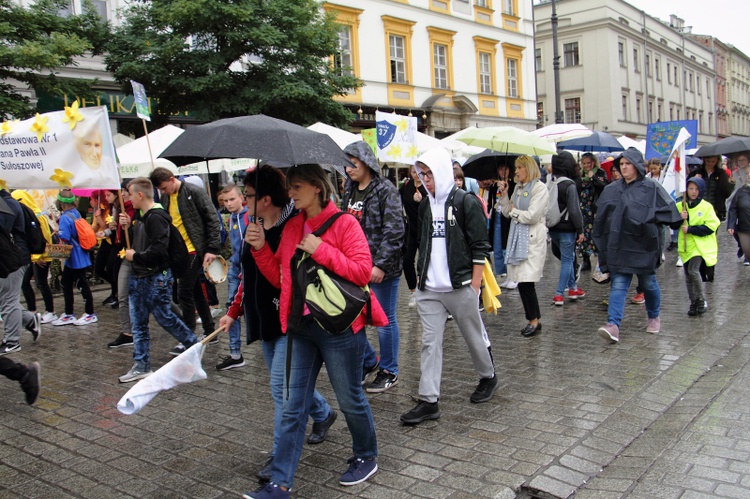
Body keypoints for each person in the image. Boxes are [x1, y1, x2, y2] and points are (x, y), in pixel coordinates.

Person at [244, 163, 386, 498]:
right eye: (290, 188)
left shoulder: (345, 223)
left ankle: (366, 455)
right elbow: (280, 277)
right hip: (301, 327)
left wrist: (321, 249)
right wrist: (261, 248)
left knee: (350, 399)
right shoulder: (293, 226)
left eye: (296, 188)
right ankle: (280, 483)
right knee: (293, 405)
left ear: (317, 189)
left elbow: (363, 271)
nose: (290, 194)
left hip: (339, 328)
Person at [218, 166, 337, 483]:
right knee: (288, 386)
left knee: (282, 392)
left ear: (266, 198)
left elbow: (287, 279)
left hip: (288, 320)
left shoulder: (289, 230)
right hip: (262, 322)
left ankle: (279, 459)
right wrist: (234, 310)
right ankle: (324, 414)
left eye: (249, 195)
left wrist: (262, 249)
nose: (243, 200)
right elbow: (247, 275)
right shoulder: (250, 224)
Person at [400, 148, 498, 426]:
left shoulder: (465, 202)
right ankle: (429, 400)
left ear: (442, 171)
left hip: (461, 285)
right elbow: (422, 242)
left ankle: (488, 376)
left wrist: (475, 285)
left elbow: (481, 245)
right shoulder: (425, 205)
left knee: (473, 336)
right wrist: (420, 279)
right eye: (422, 174)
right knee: (430, 343)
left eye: (430, 173)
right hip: (430, 289)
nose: (426, 179)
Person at [594, 148, 682, 344]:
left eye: (627, 164)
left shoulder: (651, 188)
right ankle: (613, 324)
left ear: (637, 165)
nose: (623, 167)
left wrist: (658, 219)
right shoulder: (611, 190)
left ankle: (653, 315)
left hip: (644, 246)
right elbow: (601, 219)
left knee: (649, 284)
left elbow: (669, 212)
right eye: (621, 164)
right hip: (619, 247)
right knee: (618, 284)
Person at [118, 177, 200, 383]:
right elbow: (140, 242)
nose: (127, 198)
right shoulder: (142, 216)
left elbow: (158, 250)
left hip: (155, 277)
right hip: (140, 275)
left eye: (129, 193)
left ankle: (194, 344)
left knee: (164, 317)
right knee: (138, 323)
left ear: (139, 194)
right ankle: (141, 364)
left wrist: (134, 256)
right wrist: (127, 229)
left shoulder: (156, 217)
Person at [342, 141, 405, 393]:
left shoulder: (385, 189)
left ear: (366, 161)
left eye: (353, 163)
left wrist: (379, 265)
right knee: (351, 316)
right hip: (354, 266)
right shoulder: (349, 189)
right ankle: (369, 361)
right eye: (346, 164)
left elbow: (395, 231)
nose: (348, 170)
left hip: (382, 269)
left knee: (384, 320)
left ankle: (390, 370)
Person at [149, 167, 221, 351]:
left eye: (164, 187)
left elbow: (212, 219)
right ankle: (209, 330)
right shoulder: (165, 198)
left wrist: (212, 248)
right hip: (179, 252)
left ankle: (188, 336)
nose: (163, 192)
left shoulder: (193, 191)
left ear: (172, 179)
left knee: (184, 292)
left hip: (195, 250)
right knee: (195, 291)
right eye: (161, 189)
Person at [496, 155, 548, 337]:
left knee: (526, 281)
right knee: (523, 281)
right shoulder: (518, 188)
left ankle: (533, 320)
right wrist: (504, 196)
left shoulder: (540, 189)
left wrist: (514, 211)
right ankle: (534, 318)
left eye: (519, 167)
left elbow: (532, 216)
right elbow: (506, 212)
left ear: (528, 168)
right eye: (515, 168)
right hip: (518, 237)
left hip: (532, 239)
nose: (516, 171)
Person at [0, 189, 41, 353]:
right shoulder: (7, 203)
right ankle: (31, 321)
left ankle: (12, 341)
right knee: (5, 299)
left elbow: (3, 229)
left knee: (8, 300)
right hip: (9, 258)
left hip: (13, 259)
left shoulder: (7, 205)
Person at [51, 190, 97, 326]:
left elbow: (64, 237)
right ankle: (69, 313)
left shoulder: (65, 218)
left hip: (73, 255)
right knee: (66, 282)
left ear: (60, 203)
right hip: (79, 252)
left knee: (81, 284)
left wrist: (56, 234)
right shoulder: (76, 213)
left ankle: (89, 313)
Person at [214, 185, 247, 370]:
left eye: (232, 199)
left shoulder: (249, 216)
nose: (228, 204)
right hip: (235, 269)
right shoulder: (232, 218)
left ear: (241, 197)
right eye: (225, 201)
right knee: (231, 308)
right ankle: (235, 352)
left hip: (247, 270)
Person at [12, 190, 57, 324]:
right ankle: (32, 310)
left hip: (42, 256)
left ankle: (50, 311)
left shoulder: (36, 215)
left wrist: (38, 256)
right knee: (26, 282)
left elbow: (42, 237)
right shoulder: (29, 214)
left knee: (41, 283)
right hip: (35, 256)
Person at [677, 177, 720, 315]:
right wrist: (679, 217)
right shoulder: (681, 206)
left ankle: (701, 299)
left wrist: (691, 230)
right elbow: (672, 224)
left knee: (693, 271)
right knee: (688, 275)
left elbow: (711, 226)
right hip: (686, 247)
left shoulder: (706, 206)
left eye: (696, 189)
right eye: (690, 189)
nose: (693, 192)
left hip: (701, 247)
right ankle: (693, 301)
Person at [548, 151, 586, 305]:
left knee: (567, 259)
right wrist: (581, 229)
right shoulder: (569, 185)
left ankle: (573, 287)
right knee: (566, 260)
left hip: (553, 227)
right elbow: (575, 210)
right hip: (567, 229)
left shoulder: (549, 181)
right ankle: (559, 293)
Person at [107, 183, 138, 349]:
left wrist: (130, 224)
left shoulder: (141, 210)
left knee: (158, 300)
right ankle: (128, 332)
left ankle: (185, 322)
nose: (125, 194)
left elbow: (143, 235)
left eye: (127, 192)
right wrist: (114, 227)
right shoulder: (120, 210)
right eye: (124, 191)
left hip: (141, 258)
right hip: (126, 256)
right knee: (122, 294)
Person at [400, 164, 428, 307]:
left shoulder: (427, 187)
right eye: (413, 172)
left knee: (423, 262)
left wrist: (422, 200)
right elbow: (396, 200)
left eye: (419, 172)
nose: (416, 174)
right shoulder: (406, 186)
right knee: (407, 260)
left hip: (425, 230)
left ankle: (425, 290)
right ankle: (413, 291)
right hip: (410, 230)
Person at [578, 153, 608, 275]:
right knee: (584, 234)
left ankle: (600, 260)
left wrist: (593, 178)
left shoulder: (600, 172)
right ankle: (585, 259)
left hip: (594, 207)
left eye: (588, 163)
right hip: (582, 207)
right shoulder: (580, 174)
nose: (586, 166)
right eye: (584, 163)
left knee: (596, 233)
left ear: (593, 162)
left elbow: (605, 186)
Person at [92, 189, 121, 307]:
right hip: (104, 240)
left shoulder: (111, 209)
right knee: (99, 268)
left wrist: (100, 221)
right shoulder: (103, 209)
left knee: (111, 268)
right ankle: (116, 290)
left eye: (109, 195)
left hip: (112, 242)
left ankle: (117, 292)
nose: (90, 202)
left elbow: (108, 227)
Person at [688, 155, 734, 222]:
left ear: (717, 161)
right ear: (704, 160)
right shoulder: (696, 172)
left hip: (715, 210)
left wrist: (731, 183)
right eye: (708, 161)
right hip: (698, 208)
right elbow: (688, 188)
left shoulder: (721, 173)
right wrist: (694, 179)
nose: (710, 164)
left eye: (713, 161)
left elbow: (727, 193)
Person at [727, 156, 750, 267]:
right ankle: (744, 250)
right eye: (739, 160)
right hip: (743, 222)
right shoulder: (741, 191)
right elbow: (733, 208)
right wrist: (731, 225)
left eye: (743, 160)